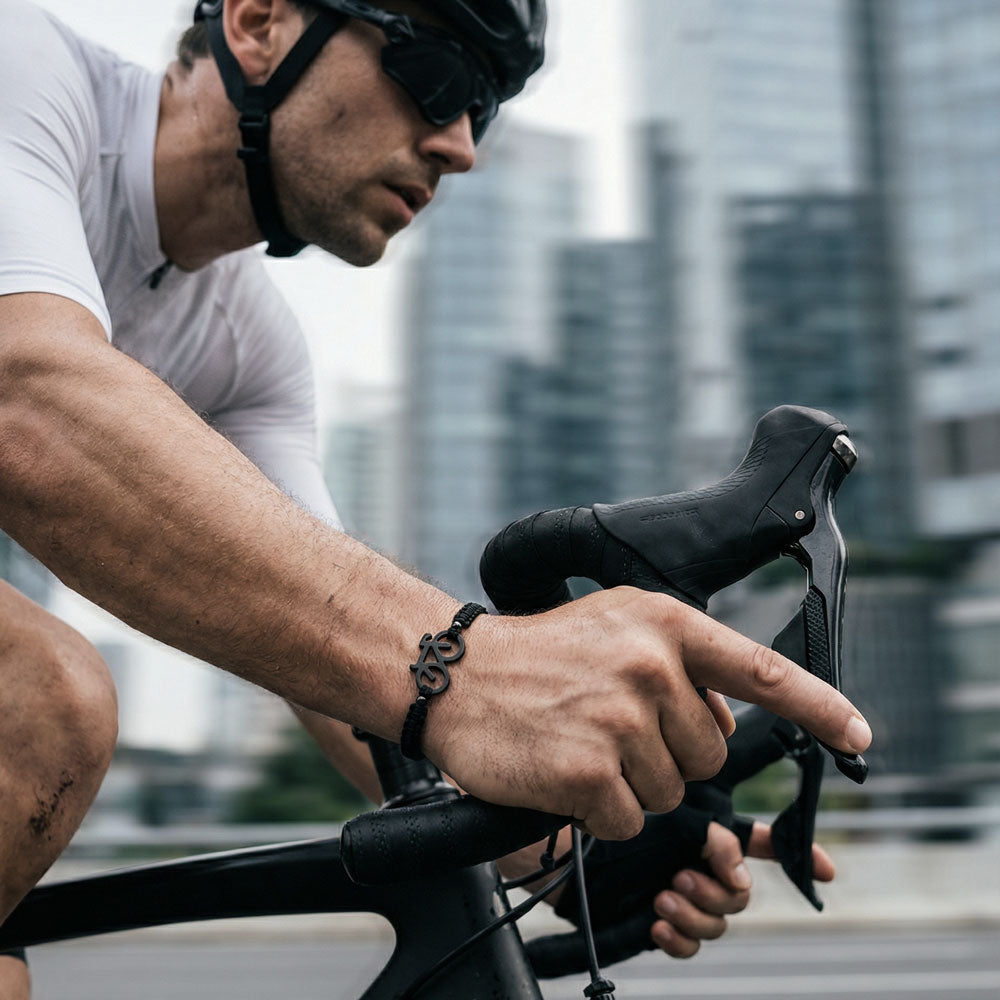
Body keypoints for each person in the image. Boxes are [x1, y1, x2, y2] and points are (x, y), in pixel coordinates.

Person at [0, 0, 872, 994]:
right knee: (37, 700)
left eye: (483, 109)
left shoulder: (251, 346)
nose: (461, 146)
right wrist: (468, 665)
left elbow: (331, 652)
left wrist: (567, 835)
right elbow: (28, 398)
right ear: (256, 21)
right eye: (437, 76)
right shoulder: (25, 74)